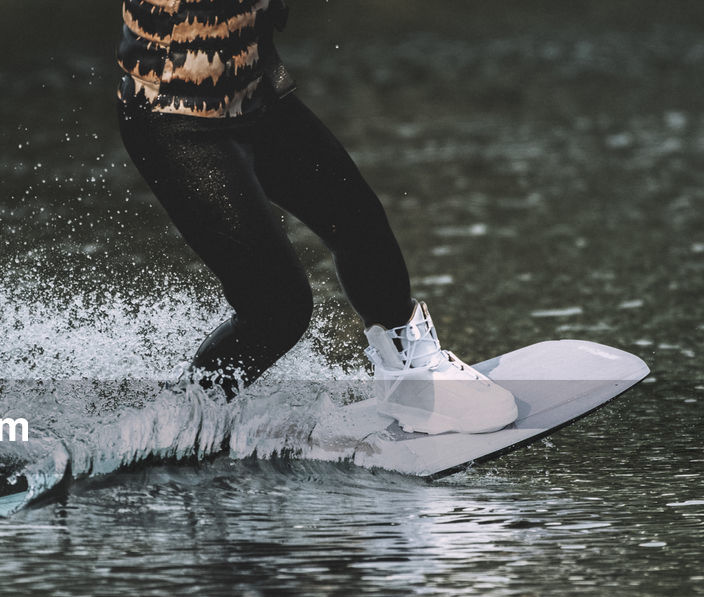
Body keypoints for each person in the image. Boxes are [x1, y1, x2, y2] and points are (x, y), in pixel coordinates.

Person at [117, 0, 517, 434]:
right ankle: (181, 426)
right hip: (175, 121)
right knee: (278, 308)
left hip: (257, 101)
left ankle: (411, 379)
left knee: (359, 223)